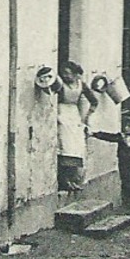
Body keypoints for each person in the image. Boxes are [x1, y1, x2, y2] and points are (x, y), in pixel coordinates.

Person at [91, 117, 130, 224]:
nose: (126, 128)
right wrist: (94, 134)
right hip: (123, 167)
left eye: (129, 126)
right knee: (127, 189)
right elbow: (108, 137)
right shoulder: (121, 137)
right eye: (126, 126)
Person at [54, 62, 95, 192]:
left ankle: (72, 180)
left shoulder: (81, 85)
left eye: (69, 73)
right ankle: (64, 180)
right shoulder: (61, 85)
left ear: (76, 74)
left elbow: (94, 101)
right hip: (61, 114)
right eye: (64, 73)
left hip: (74, 116)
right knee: (65, 147)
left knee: (76, 147)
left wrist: (87, 116)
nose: (66, 76)